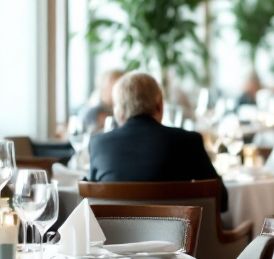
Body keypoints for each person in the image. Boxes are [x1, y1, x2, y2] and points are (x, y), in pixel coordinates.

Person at [87, 72, 228, 211]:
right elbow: (221, 200)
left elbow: (90, 203)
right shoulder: (188, 142)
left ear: (119, 112)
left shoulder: (98, 145)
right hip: (179, 234)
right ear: (160, 105)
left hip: (113, 234)